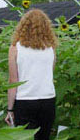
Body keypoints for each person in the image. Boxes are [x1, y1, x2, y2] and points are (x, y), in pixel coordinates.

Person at [5, 9, 58, 140]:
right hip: (48, 100)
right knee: (43, 137)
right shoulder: (51, 48)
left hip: (25, 101)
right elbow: (50, 73)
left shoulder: (15, 48)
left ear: (23, 26)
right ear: (47, 27)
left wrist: (10, 110)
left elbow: (13, 81)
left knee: (24, 137)